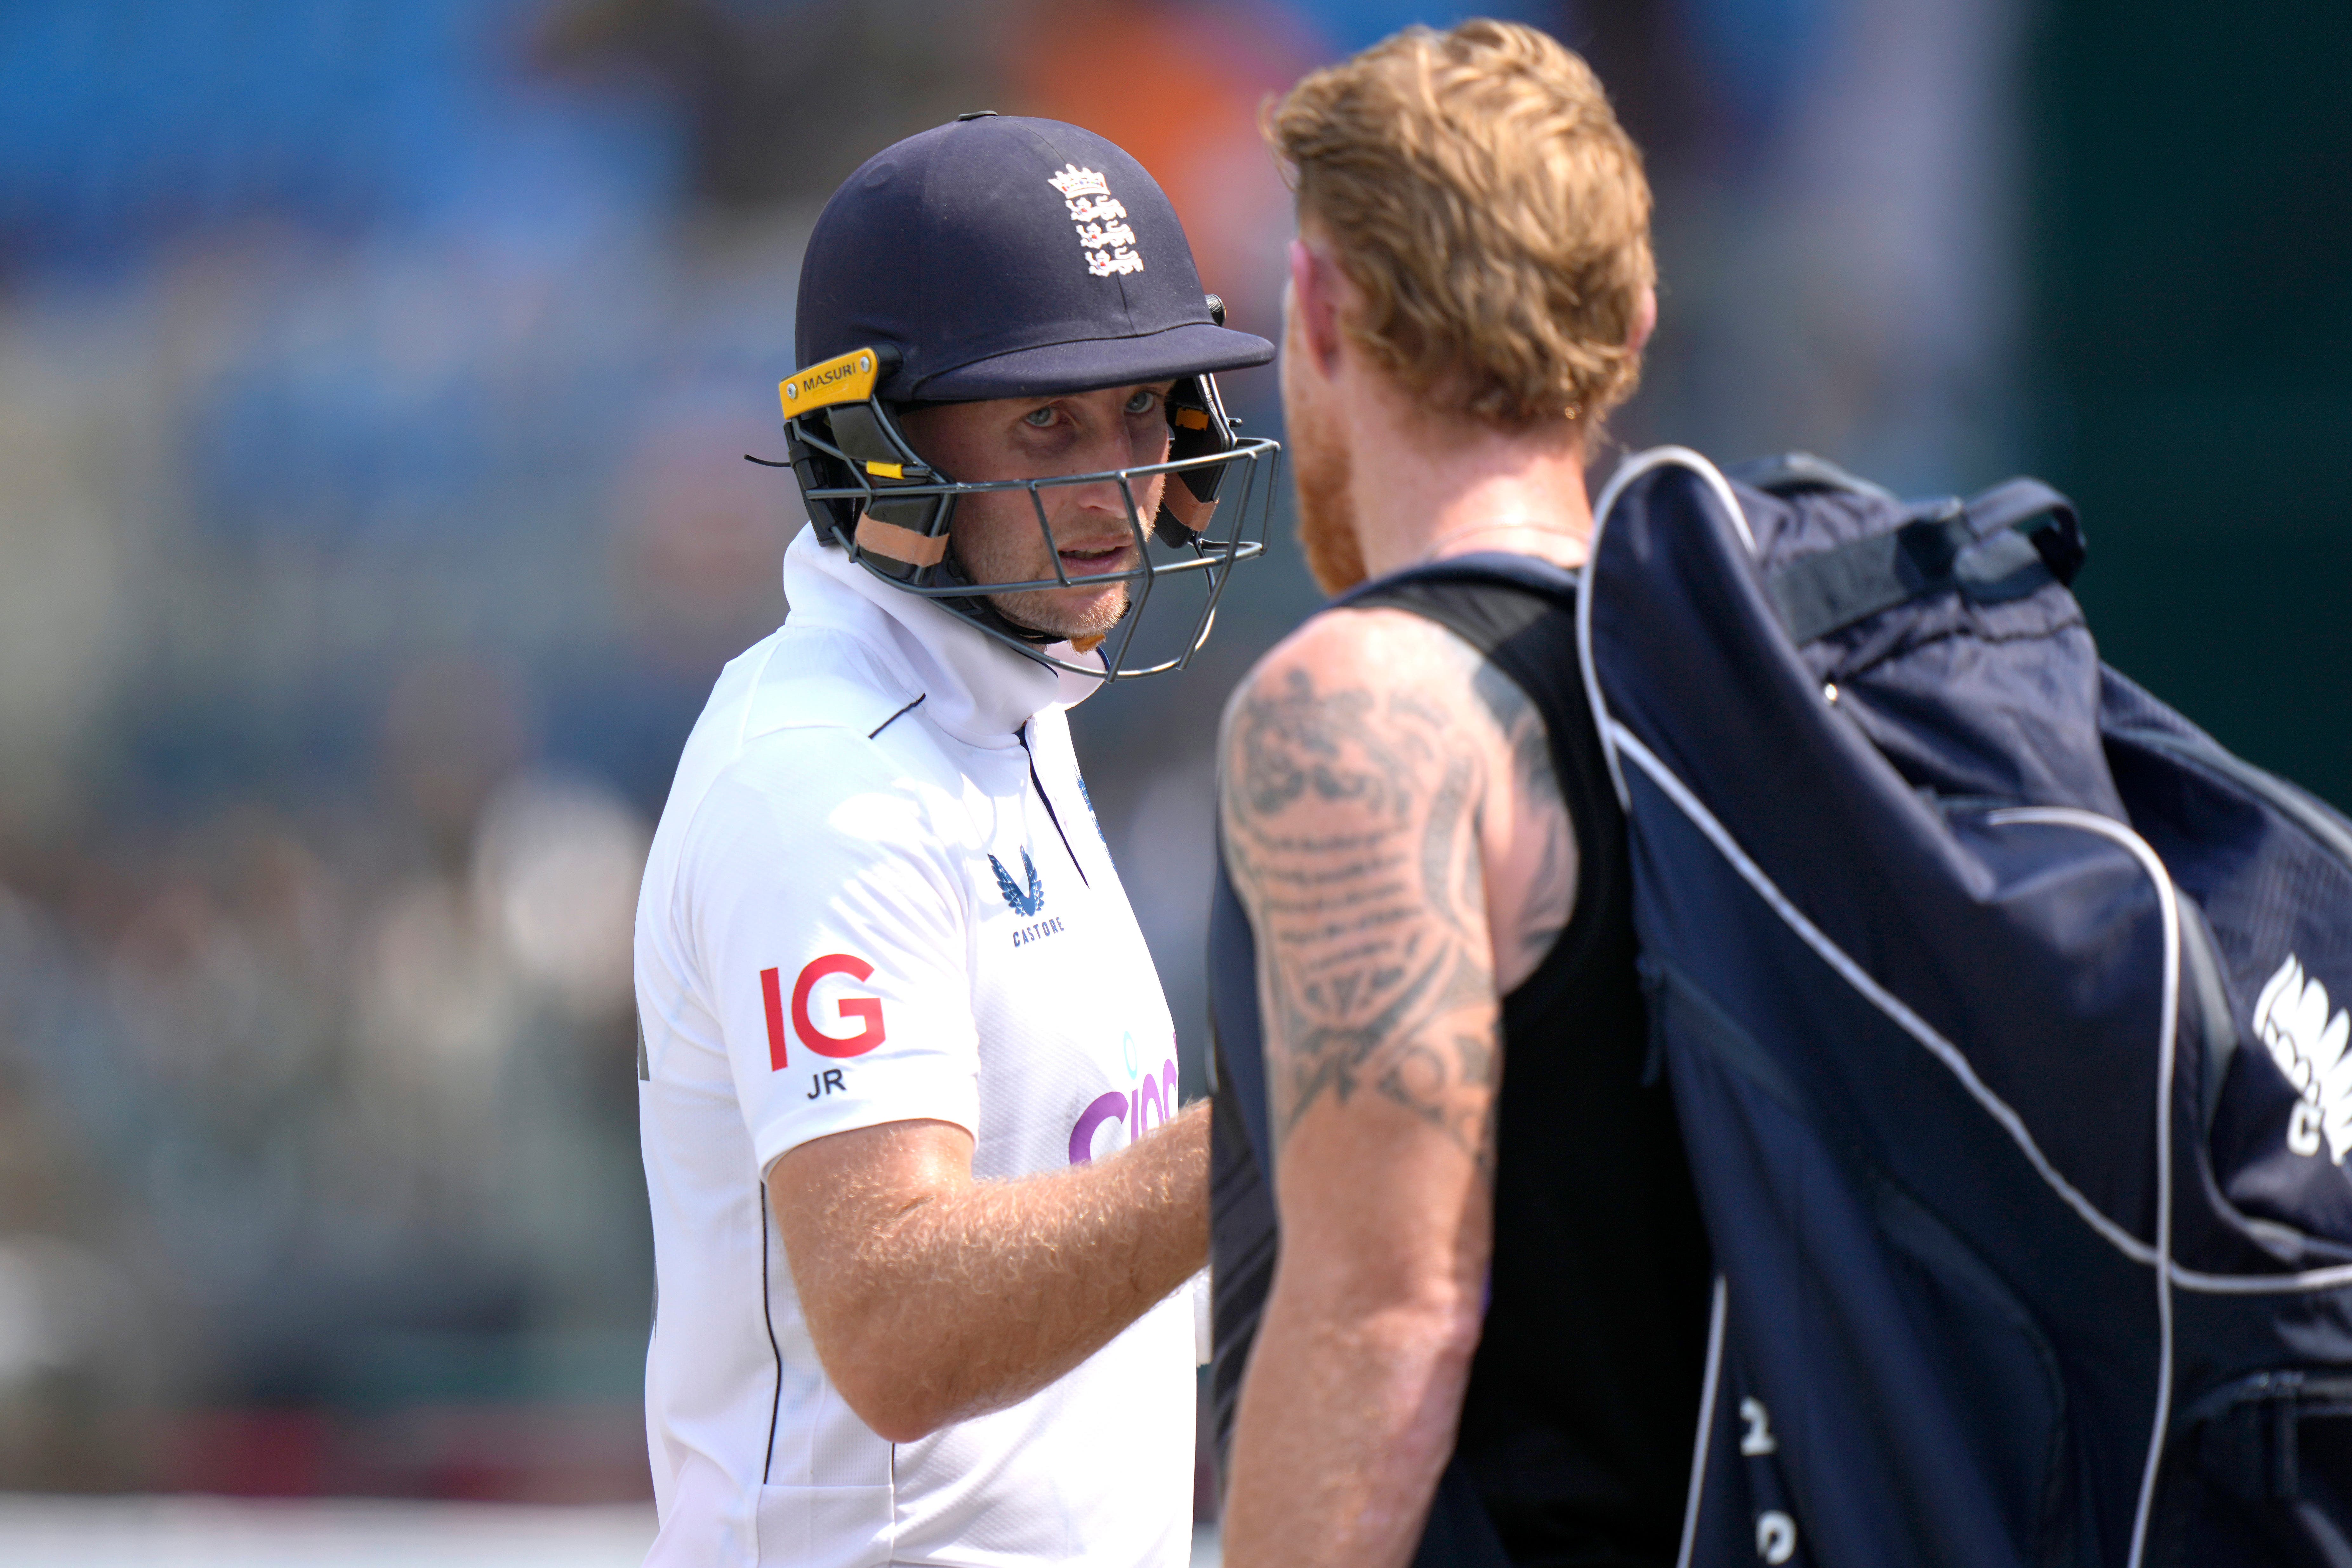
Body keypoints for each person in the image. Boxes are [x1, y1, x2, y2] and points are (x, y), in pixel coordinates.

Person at [633, 113, 1276, 1567]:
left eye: (1139, 410)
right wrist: (1284, 1128)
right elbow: (896, 1329)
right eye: (1045, 421)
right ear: (877, 444)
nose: (1118, 485)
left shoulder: (996, 705)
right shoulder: (820, 784)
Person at [1210, 23, 1714, 1568]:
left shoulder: (1363, 707)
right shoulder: (1746, 681)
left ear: (1320, 305)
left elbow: (1390, 1307)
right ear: (1629, 328)